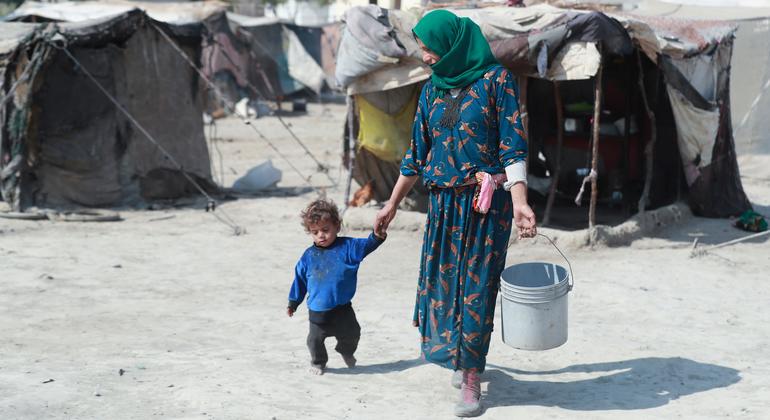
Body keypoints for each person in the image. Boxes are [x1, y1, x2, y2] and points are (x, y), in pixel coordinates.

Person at [373, 10, 537, 417]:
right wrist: (392, 203)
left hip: (485, 207)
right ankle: (458, 356)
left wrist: (519, 201)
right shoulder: (431, 90)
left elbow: (514, 147)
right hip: (442, 207)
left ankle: (470, 376)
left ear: (451, 45)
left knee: (477, 288)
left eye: (429, 49)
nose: (425, 56)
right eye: (424, 49)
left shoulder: (496, 82)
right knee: (444, 287)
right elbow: (416, 155)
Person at [288, 199, 386, 375]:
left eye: (325, 230)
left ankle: (345, 351)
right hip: (318, 310)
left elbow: (367, 245)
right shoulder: (308, 256)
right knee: (315, 340)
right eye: (315, 232)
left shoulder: (348, 247)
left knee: (353, 333)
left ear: (337, 226)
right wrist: (293, 302)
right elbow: (300, 280)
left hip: (342, 308)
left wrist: (377, 236)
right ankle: (318, 363)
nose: (321, 235)